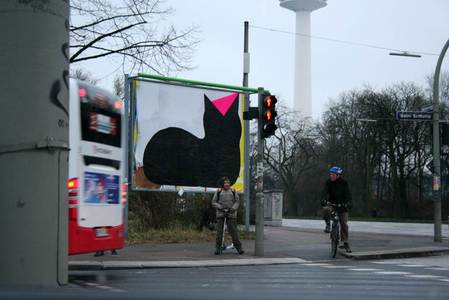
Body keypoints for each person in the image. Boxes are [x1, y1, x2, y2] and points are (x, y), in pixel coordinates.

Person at [321, 166, 353, 253]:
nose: (331, 176)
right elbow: (324, 192)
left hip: (342, 205)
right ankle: (328, 225)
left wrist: (349, 203)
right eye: (330, 174)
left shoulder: (344, 183)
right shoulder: (328, 182)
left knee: (344, 224)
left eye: (333, 175)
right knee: (326, 209)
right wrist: (323, 200)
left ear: (338, 175)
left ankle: (345, 242)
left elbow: (348, 194)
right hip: (332, 204)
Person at [211, 177, 244, 255]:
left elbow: (237, 201)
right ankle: (218, 248)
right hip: (221, 214)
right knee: (219, 233)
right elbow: (213, 202)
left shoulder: (233, 191)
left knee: (234, 233)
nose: (227, 184)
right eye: (225, 183)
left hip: (231, 214)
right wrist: (221, 208)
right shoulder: (219, 192)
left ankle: (239, 248)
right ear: (222, 184)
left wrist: (232, 209)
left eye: (228, 183)